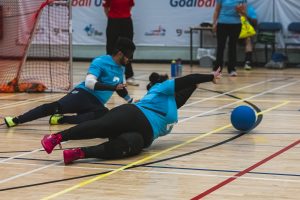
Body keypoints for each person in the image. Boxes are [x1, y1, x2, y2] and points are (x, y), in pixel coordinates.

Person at [40, 68, 222, 165]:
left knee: (122, 148)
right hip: (134, 115)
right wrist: (209, 76)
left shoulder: (172, 105)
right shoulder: (162, 89)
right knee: (100, 126)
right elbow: (187, 80)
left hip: (144, 137)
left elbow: (184, 93)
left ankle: (78, 153)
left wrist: (197, 85)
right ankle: (56, 138)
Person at [4, 37, 136, 127]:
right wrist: (112, 87)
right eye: (129, 56)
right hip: (82, 95)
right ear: (119, 53)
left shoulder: (121, 68)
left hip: (96, 103)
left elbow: (119, 89)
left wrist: (131, 101)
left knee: (103, 115)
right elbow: (90, 83)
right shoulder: (100, 62)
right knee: (53, 107)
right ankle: (16, 120)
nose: (130, 59)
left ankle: (62, 119)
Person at [103, 0, 139, 86]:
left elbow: (129, 7)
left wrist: (122, 16)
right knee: (111, 48)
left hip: (126, 21)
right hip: (113, 21)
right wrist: (113, 18)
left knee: (128, 47)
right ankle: (110, 76)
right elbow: (106, 8)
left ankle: (129, 76)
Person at [212, 0, 246, 76]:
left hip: (236, 25)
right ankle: (217, 70)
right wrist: (214, 23)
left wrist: (240, 11)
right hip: (222, 24)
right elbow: (217, 11)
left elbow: (244, 14)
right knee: (220, 46)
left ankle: (232, 69)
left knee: (232, 46)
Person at [238, 4, 257, 70]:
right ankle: (231, 63)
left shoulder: (249, 9)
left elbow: (255, 22)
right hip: (235, 31)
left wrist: (245, 15)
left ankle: (248, 62)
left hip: (245, 33)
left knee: (248, 39)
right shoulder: (231, 9)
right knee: (231, 39)